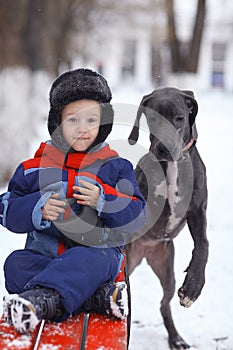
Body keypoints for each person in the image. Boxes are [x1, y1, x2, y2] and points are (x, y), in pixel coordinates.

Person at [0, 68, 146, 334]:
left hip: (97, 255)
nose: (83, 129)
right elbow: (6, 208)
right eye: (72, 120)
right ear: (57, 123)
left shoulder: (115, 167)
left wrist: (104, 199)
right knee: (15, 265)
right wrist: (37, 208)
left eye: (91, 120)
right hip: (45, 257)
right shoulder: (34, 168)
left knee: (92, 257)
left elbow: (138, 213)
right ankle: (94, 297)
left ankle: (41, 300)